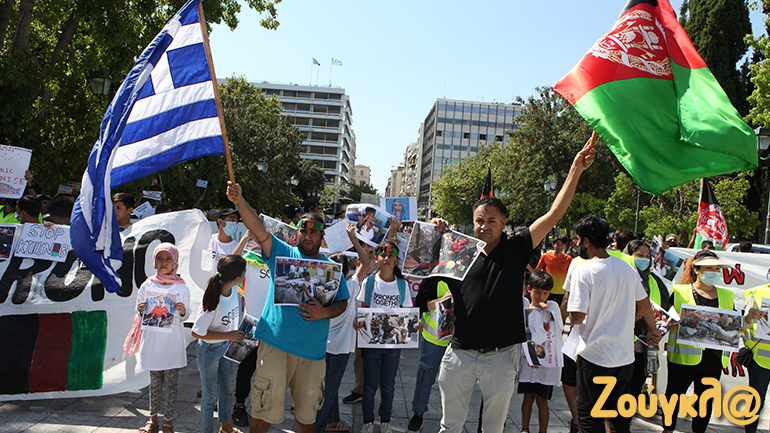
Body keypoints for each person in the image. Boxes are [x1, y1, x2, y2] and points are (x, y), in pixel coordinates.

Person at [416, 133, 597, 433]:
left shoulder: (517, 248)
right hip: (459, 354)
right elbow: (418, 267)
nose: (484, 226)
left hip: (501, 358)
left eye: (491, 221)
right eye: (479, 220)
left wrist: (575, 168)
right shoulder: (459, 252)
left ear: (503, 223)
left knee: (493, 428)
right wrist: (431, 232)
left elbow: (554, 214)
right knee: (450, 426)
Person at [225, 181, 349, 433]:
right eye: (304, 230)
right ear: (297, 232)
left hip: (312, 353)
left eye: (314, 232)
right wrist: (240, 201)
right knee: (262, 411)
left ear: (322, 236)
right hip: (275, 346)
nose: (308, 236)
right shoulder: (282, 252)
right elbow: (258, 229)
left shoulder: (332, 269)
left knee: (307, 416)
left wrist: (324, 312)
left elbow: (343, 303)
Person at [567, 215, 661, 433]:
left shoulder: (584, 270)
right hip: (624, 358)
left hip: (595, 356)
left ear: (587, 241)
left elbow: (577, 316)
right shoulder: (626, 268)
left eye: (578, 240)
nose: (577, 244)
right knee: (619, 418)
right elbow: (645, 305)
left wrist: (574, 316)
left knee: (590, 417)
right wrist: (652, 330)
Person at [663, 250, 733, 433]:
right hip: (684, 358)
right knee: (674, 395)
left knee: (705, 399)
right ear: (698, 270)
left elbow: (731, 323)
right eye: (709, 268)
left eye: (717, 268)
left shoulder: (727, 295)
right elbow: (665, 320)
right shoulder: (679, 291)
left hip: (713, 358)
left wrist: (739, 326)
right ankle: (668, 429)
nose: (714, 272)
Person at [315, 225, 371, 433]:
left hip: (321, 346)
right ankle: (319, 427)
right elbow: (366, 262)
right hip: (339, 350)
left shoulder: (321, 288)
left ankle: (332, 421)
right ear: (347, 270)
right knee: (329, 389)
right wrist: (353, 239)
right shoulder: (351, 285)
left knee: (328, 387)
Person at [355, 240, 412, 433]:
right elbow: (362, 311)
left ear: (396, 260)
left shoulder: (403, 285)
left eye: (391, 256)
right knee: (369, 385)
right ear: (377, 258)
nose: (387, 259)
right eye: (383, 255)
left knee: (388, 385)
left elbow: (407, 314)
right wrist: (358, 324)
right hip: (371, 343)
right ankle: (368, 422)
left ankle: (386, 420)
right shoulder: (368, 282)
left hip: (393, 346)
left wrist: (414, 326)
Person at [136, 243, 191, 433]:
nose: (164, 262)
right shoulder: (147, 285)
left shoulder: (182, 287)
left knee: (171, 384)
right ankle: (152, 420)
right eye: (160, 258)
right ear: (154, 261)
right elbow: (139, 310)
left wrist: (183, 311)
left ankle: (168, 421)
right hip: (153, 343)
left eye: (168, 259)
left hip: (172, 344)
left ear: (175, 261)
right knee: (154, 384)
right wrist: (141, 310)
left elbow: (187, 314)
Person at [191, 254, 247, 433]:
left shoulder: (235, 293)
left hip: (226, 349)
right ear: (237, 278)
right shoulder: (213, 299)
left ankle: (227, 428)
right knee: (209, 397)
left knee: (227, 390)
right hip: (209, 351)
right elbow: (197, 332)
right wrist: (228, 334)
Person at [625, 240, 670, 398]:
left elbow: (666, 307)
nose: (643, 259)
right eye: (639, 255)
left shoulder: (655, 281)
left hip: (645, 342)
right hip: (622, 340)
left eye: (646, 256)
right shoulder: (621, 278)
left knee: (637, 381)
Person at [519, 271, 561, 433]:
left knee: (542, 400)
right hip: (528, 361)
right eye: (537, 292)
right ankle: (525, 428)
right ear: (529, 289)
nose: (541, 297)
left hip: (546, 364)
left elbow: (556, 331)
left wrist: (546, 313)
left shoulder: (553, 306)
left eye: (545, 293)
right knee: (528, 397)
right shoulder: (524, 306)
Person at [408, 278, 451, 432]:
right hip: (433, 339)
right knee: (426, 377)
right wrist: (442, 300)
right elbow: (420, 304)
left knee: (454, 383)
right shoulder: (433, 279)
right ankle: (418, 413)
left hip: (458, 341)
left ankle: (451, 418)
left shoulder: (467, 278)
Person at [742, 283, 770, 433]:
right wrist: (749, 343)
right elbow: (745, 324)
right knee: (756, 402)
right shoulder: (757, 292)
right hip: (760, 359)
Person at [534, 233, 572, 305]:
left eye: (562, 245)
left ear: (565, 246)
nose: (559, 247)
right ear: (553, 244)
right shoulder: (545, 256)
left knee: (559, 314)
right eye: (557, 244)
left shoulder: (568, 258)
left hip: (562, 292)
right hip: (547, 291)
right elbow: (536, 272)